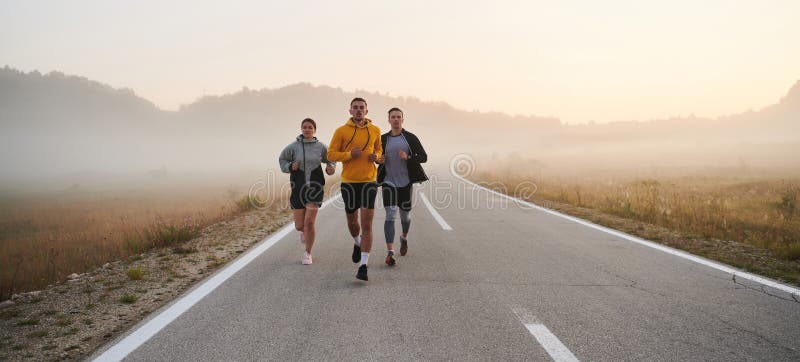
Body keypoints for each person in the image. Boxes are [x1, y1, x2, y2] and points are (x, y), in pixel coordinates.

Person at [327, 97, 382, 281]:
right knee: (352, 221)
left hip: (369, 181)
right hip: (349, 182)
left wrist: (377, 156)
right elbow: (331, 155)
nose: (359, 110)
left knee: (367, 223)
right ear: (350, 111)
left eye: (362, 108)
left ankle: (363, 266)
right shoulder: (341, 131)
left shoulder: (375, 130)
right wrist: (350, 155)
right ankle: (357, 242)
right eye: (355, 108)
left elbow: (379, 149)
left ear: (367, 111)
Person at [279, 118, 335, 265]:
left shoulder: (321, 147)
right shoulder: (293, 147)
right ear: (301, 129)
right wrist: (291, 167)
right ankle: (304, 232)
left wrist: (330, 168)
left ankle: (307, 253)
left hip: (315, 188)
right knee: (299, 225)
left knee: (309, 222)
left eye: (310, 127)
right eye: (305, 127)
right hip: (298, 188)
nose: (307, 129)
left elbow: (331, 159)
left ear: (314, 130)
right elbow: (282, 160)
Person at [376, 107, 428, 266]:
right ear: (389, 120)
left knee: (405, 217)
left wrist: (409, 157)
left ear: (403, 120)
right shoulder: (382, 139)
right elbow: (376, 156)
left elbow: (424, 157)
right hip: (388, 182)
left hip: (405, 183)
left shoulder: (410, 138)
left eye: (399, 117)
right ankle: (390, 252)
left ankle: (404, 237)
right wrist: (379, 160)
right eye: (393, 117)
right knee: (390, 214)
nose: (396, 119)